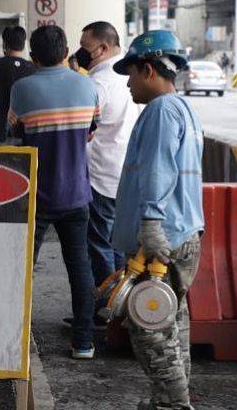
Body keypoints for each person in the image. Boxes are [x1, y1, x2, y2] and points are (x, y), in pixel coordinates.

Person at [111, 29, 204, 410]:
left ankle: (173, 404)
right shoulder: (182, 109)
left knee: (149, 327)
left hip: (161, 238)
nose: (128, 84)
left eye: (131, 74)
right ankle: (167, 399)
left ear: (148, 69)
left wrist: (150, 224)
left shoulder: (162, 111)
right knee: (171, 321)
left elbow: (159, 170)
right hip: (181, 233)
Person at [9, 25, 99, 360]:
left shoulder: (22, 89)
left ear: (33, 58)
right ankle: (84, 343)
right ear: (66, 53)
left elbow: (17, 132)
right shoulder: (87, 86)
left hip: (36, 196)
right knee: (79, 268)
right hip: (77, 193)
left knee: (22, 269)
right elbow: (90, 133)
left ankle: (14, 341)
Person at [74, 21, 140, 310]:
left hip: (99, 174)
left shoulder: (96, 84)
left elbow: (82, 130)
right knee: (121, 245)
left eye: (86, 46)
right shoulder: (132, 77)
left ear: (102, 48)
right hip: (127, 174)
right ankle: (122, 306)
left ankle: (106, 309)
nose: (81, 52)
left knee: (100, 245)